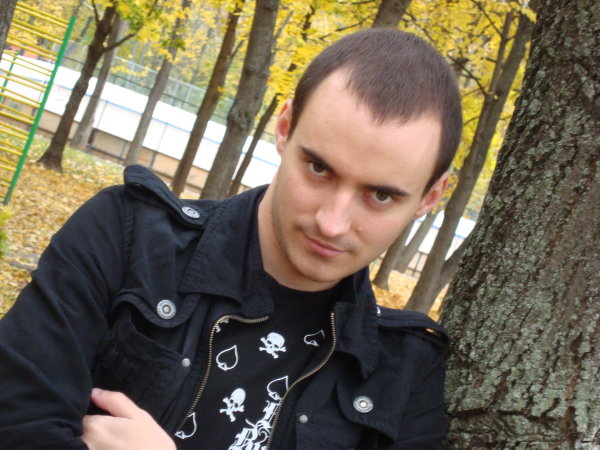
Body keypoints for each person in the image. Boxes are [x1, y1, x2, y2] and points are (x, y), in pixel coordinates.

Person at [0, 28, 462, 449]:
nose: (332, 223)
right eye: (319, 168)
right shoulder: (128, 238)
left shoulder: (408, 374)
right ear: (285, 127)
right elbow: (17, 427)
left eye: (380, 195)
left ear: (430, 196)